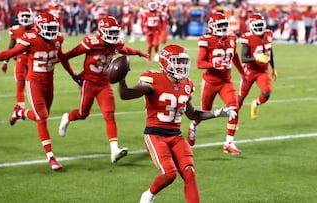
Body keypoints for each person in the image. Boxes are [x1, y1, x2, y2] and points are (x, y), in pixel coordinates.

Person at [117, 44, 237, 203]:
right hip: (155, 135)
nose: (181, 66)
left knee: (190, 173)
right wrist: (121, 79)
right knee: (169, 174)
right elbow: (126, 95)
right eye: (177, 62)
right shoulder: (153, 79)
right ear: (165, 63)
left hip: (176, 136)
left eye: (183, 62)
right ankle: (148, 196)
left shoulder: (187, 84)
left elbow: (192, 114)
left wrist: (216, 113)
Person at [0, 12, 80, 171]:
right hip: (34, 82)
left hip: (49, 83)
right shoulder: (31, 38)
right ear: (40, 27)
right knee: (42, 118)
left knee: (41, 115)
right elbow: (9, 53)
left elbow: (62, 58)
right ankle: (51, 157)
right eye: (49, 28)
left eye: (53, 28)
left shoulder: (56, 39)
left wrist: (73, 76)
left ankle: (20, 112)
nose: (52, 32)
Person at [58, 16, 149, 163]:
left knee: (109, 115)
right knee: (83, 114)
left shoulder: (116, 43)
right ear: (101, 31)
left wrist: (138, 52)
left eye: (115, 32)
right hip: (88, 82)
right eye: (110, 32)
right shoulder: (91, 43)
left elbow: (124, 49)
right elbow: (69, 55)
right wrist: (58, 63)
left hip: (104, 84)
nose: (113, 36)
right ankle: (67, 118)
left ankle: (114, 150)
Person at [186, 12, 244, 155]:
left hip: (226, 81)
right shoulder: (206, 40)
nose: (223, 28)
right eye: (220, 25)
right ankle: (193, 125)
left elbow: (234, 55)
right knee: (205, 112)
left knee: (234, 108)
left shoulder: (232, 38)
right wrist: (213, 63)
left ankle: (229, 143)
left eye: (225, 25)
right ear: (212, 27)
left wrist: (242, 72)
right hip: (211, 82)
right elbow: (199, 63)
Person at [238, 13, 277, 120]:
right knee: (241, 97)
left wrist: (273, 67)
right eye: (257, 25)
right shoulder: (248, 37)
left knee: (266, 93)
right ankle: (233, 120)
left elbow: (270, 51)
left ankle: (255, 104)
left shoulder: (268, 34)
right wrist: (257, 58)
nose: (259, 27)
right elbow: (243, 58)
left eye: (260, 24)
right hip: (250, 71)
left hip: (263, 70)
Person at [1, 8, 34, 111]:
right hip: (20, 60)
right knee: (20, 84)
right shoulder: (15, 30)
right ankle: (21, 108)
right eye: (23, 16)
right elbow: (11, 47)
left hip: (33, 60)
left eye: (27, 16)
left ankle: (36, 107)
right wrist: (5, 61)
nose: (25, 18)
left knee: (34, 85)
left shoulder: (37, 29)